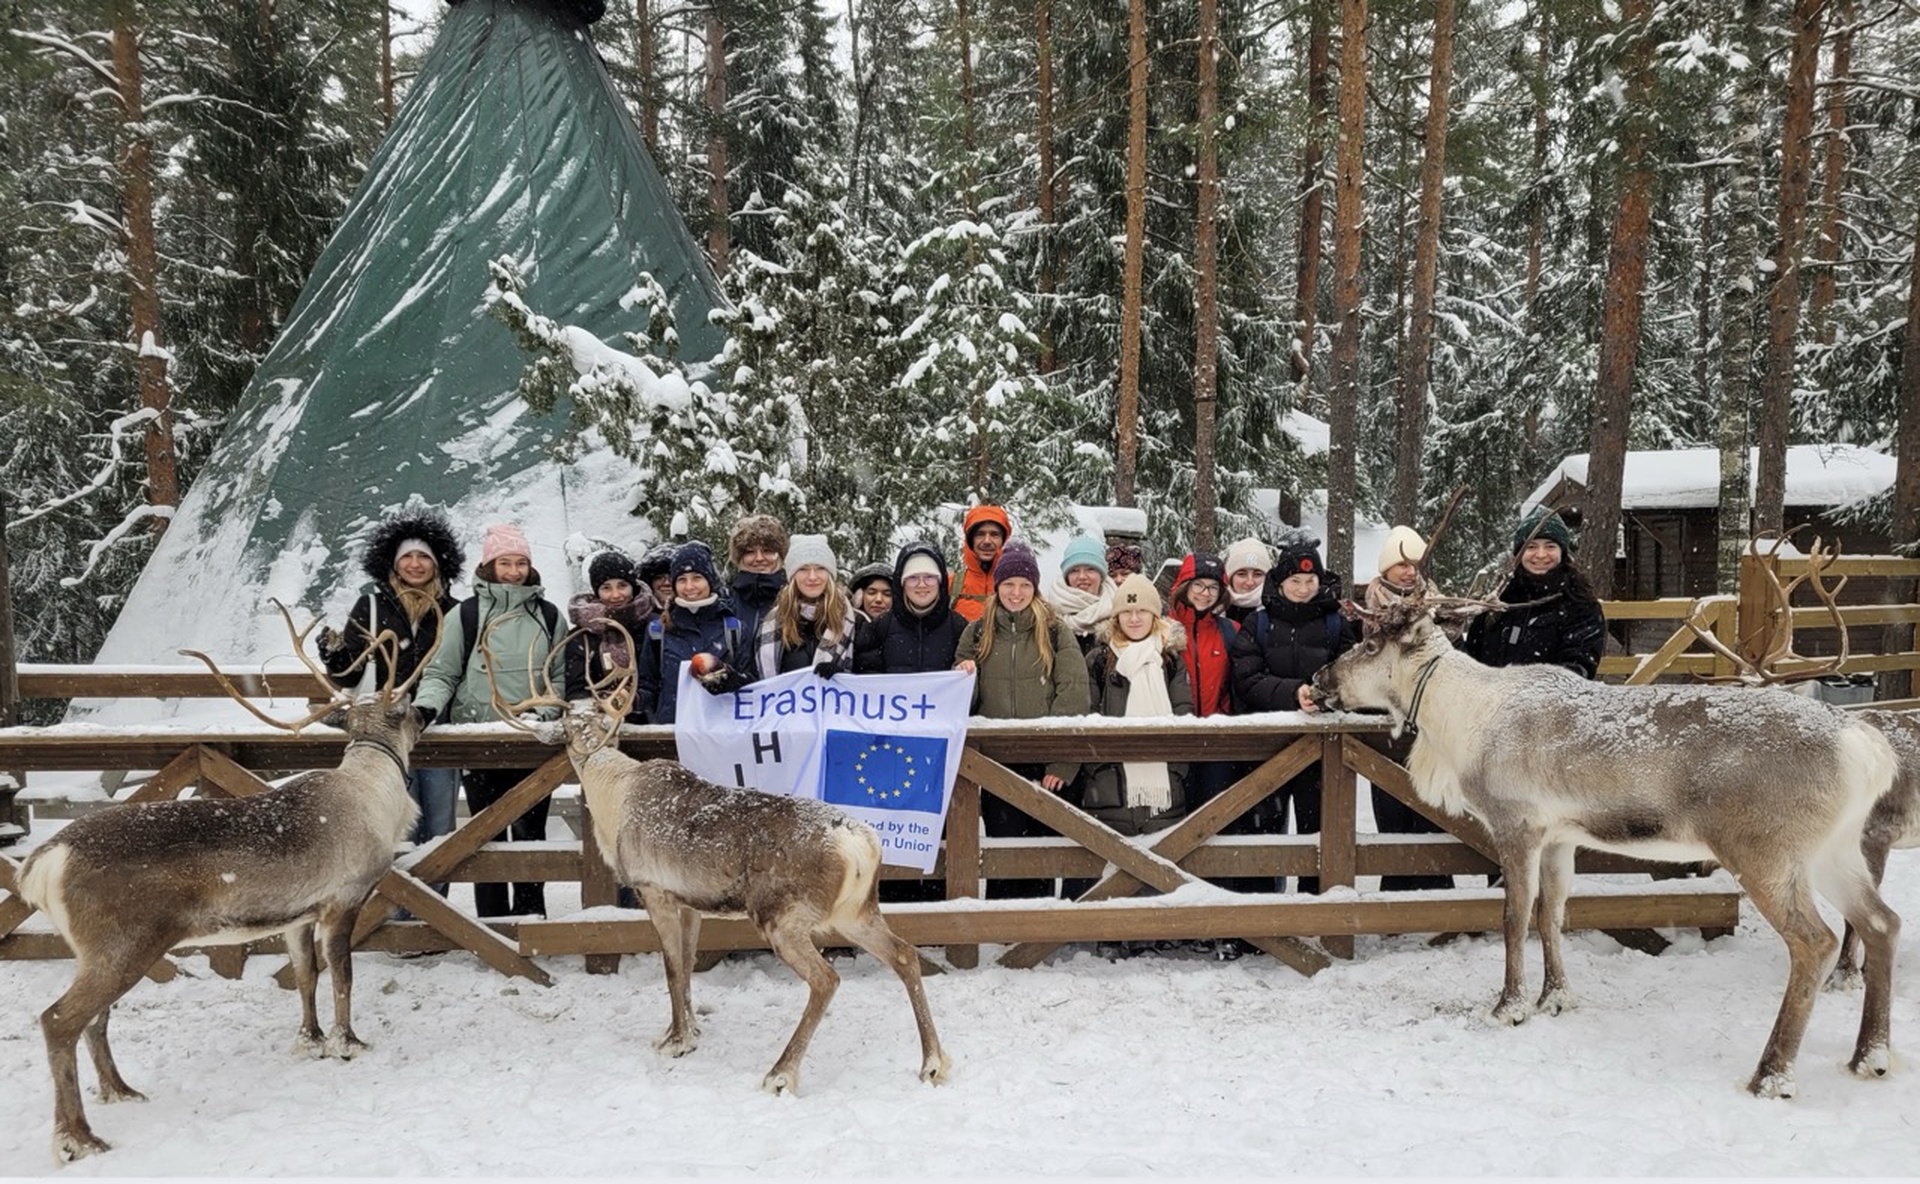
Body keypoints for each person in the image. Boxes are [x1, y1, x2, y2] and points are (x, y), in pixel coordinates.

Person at [412, 522, 565, 918]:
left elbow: (561, 676)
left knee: (531, 835)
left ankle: (531, 919)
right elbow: (442, 672)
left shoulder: (549, 616)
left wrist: (545, 712)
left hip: (532, 742)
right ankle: (492, 923)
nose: (513, 571)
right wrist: (425, 709)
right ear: (489, 565)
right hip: (479, 741)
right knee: (484, 837)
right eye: (505, 563)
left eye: (520, 563)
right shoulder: (466, 615)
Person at [317, 509, 464, 906]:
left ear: (437, 563)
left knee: (438, 825)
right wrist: (334, 656)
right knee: (386, 823)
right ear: (394, 563)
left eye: (423, 557)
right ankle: (393, 913)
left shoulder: (456, 610)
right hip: (382, 736)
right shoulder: (370, 606)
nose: (415, 564)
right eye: (407, 558)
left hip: (435, 729)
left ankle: (433, 912)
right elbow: (348, 677)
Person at [955, 538, 1090, 898]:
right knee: (1002, 844)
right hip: (997, 762)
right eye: (1009, 584)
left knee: (1043, 848)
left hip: (1045, 760)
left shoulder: (1055, 630)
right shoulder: (978, 631)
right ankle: (1003, 923)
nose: (1016, 593)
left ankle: (1037, 926)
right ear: (997, 587)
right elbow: (960, 703)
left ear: (1035, 588)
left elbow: (1074, 693)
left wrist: (1063, 762)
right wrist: (963, 677)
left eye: (1025, 585)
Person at [1228, 534, 1357, 895]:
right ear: (1281, 583)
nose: (1303, 588)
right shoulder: (1258, 624)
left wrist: (1325, 697)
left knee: (1321, 830)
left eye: (1310, 581)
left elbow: (1351, 676)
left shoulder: (1336, 624)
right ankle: (1260, 908)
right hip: (1267, 746)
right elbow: (1246, 679)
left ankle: (1318, 905)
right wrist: (1292, 693)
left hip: (1324, 748)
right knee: (1261, 829)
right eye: (1295, 581)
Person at [1359, 526, 1452, 892]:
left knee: (1432, 805)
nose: (1409, 571)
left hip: (1432, 722)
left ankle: (1435, 890)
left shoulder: (1441, 607)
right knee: (1391, 806)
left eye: (1415, 563)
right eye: (1401, 564)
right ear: (1386, 568)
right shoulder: (1367, 609)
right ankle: (1396, 890)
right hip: (1387, 722)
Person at [1078, 574, 1192, 836]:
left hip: (1164, 795)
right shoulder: (1098, 660)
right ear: (1116, 617)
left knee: (1160, 869)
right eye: (1126, 611)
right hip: (1108, 794)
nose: (1134, 618)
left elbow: (1183, 716)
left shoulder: (1169, 661)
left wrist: (1176, 770)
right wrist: (1099, 771)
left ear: (1155, 616)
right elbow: (1087, 718)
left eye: (1142, 611)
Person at [1462, 507, 1607, 680]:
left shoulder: (1581, 605)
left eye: (1550, 546)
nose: (1540, 555)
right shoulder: (1500, 601)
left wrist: (1522, 697)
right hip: (1490, 703)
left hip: (1550, 705)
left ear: (1562, 552)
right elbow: (1470, 665)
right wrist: (1454, 639)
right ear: (1519, 553)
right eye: (1531, 547)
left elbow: (1577, 672)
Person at [637, 540, 751, 725]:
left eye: (697, 578)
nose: (689, 587)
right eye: (682, 580)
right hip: (671, 733)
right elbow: (648, 685)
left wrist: (733, 681)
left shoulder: (734, 630)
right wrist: (633, 700)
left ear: (710, 581)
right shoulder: (658, 631)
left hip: (722, 730)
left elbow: (751, 682)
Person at [854, 543, 969, 675]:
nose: (921, 584)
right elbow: (865, 676)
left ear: (940, 582)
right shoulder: (879, 627)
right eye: (913, 578)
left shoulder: (959, 626)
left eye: (929, 577)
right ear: (902, 583)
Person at [754, 533, 855, 677]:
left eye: (820, 568)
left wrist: (843, 677)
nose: (812, 577)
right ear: (792, 575)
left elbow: (868, 676)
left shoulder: (853, 620)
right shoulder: (774, 622)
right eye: (803, 569)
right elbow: (761, 681)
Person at [564, 547, 649, 719]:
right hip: (600, 724)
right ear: (596, 591)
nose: (615, 595)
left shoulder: (652, 626)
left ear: (632, 586)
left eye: (622, 586)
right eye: (606, 588)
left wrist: (634, 700)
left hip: (650, 723)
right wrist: (598, 706)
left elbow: (659, 679)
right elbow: (576, 689)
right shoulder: (583, 636)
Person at [727, 513, 789, 654]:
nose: (759, 558)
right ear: (740, 557)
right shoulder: (727, 600)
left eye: (767, 551)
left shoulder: (793, 598)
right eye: (750, 552)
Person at [1046, 533, 1115, 656]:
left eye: (1090, 569)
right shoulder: (1048, 616)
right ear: (1067, 577)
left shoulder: (1120, 613)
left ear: (1101, 575)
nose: (1082, 576)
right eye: (1074, 570)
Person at [950, 504, 1010, 622]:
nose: (987, 541)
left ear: (1003, 541)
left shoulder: (1016, 585)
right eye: (980, 534)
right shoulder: (951, 585)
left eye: (994, 534)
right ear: (970, 540)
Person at [1222, 536, 1272, 629]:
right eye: (1242, 574)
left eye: (1257, 574)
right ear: (1230, 577)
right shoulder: (1213, 609)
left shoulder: (1276, 611)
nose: (1250, 582)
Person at [637, 542, 677, 614]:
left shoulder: (694, 610)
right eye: (659, 578)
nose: (667, 583)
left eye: (672, 577)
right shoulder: (640, 614)